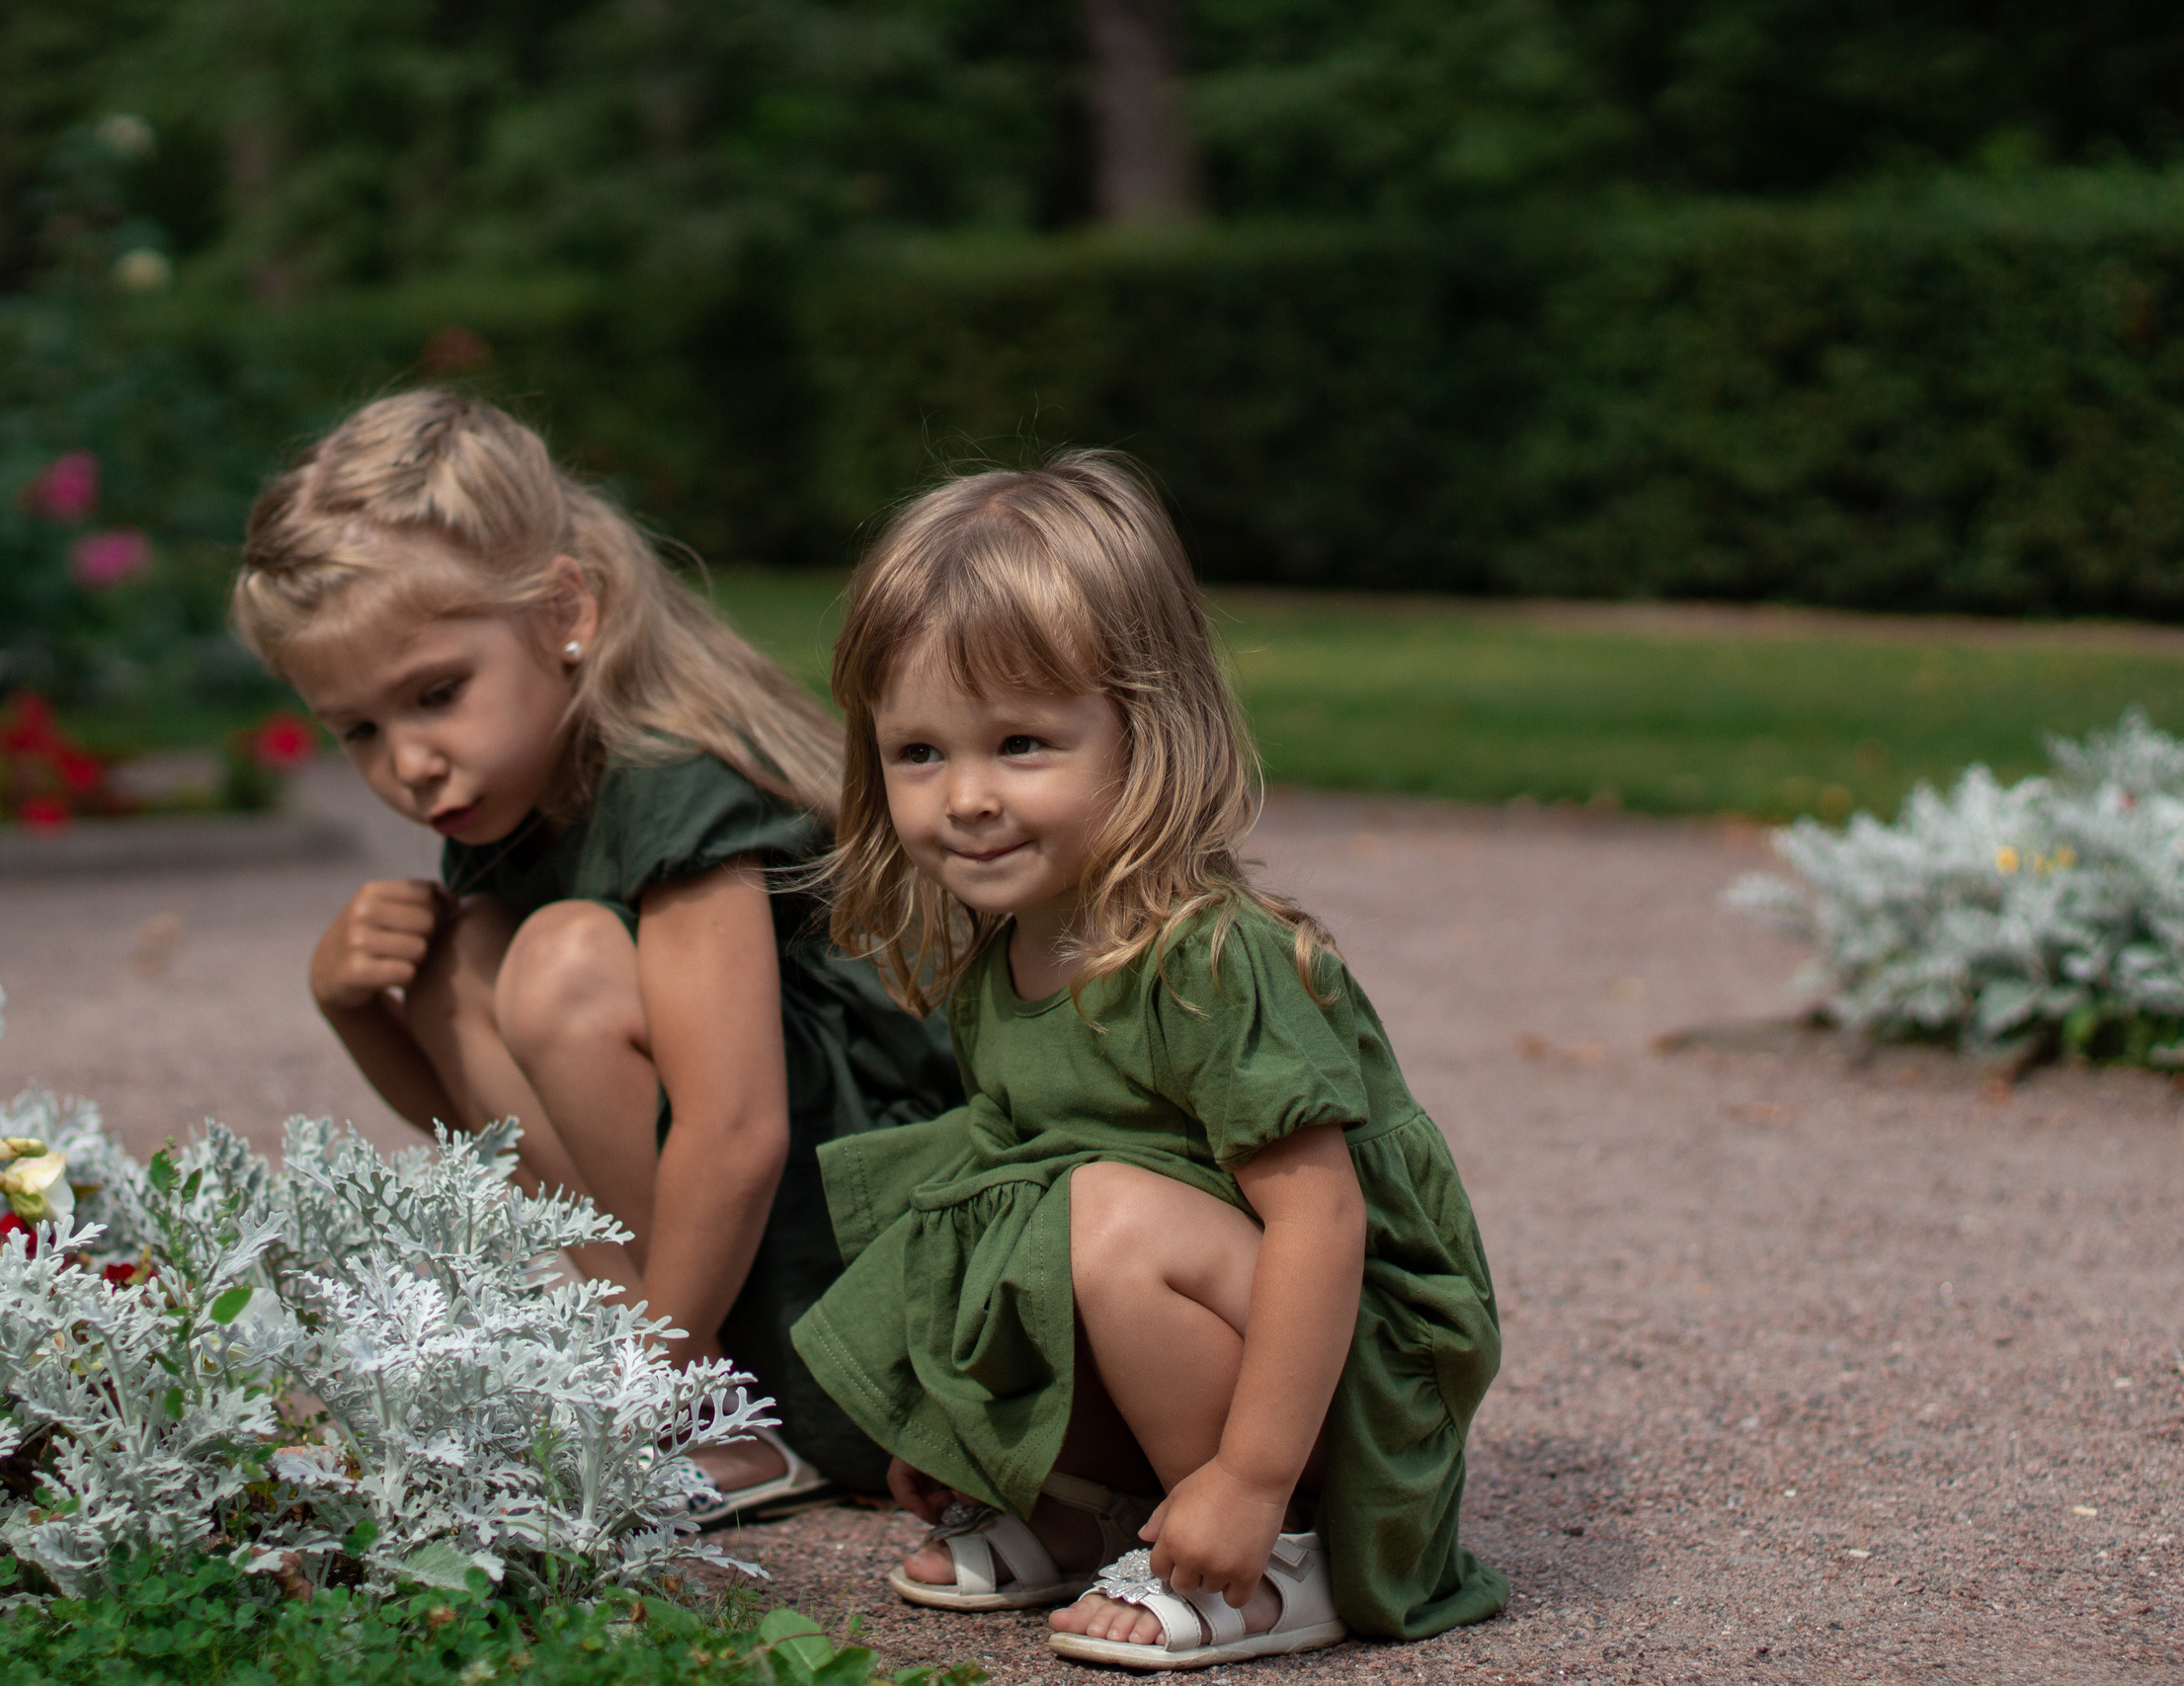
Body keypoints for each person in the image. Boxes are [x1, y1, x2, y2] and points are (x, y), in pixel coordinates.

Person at [790, 452, 1507, 1668]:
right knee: (1011, 1204)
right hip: (1214, 1330)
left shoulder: (1208, 962)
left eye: (1021, 742)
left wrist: (1250, 1473)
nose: (964, 796)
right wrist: (967, 1422)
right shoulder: (1003, 957)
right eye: (919, 752)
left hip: (1351, 1377)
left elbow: (1324, 1226)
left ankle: (1277, 1550)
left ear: (1147, 727)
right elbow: (1000, 1223)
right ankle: (1090, 1511)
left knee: (1108, 1220)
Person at [231, 391, 962, 1519]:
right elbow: (485, 1138)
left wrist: (655, 1389)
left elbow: (736, 1131)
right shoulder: (513, 802)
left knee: (562, 960)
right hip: (770, 1285)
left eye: (436, 694)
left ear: (563, 608)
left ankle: (696, 1397)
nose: (409, 763)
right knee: (453, 953)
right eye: (360, 729)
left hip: (887, 1292)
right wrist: (351, 1007)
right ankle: (714, 1399)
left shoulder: (673, 777)